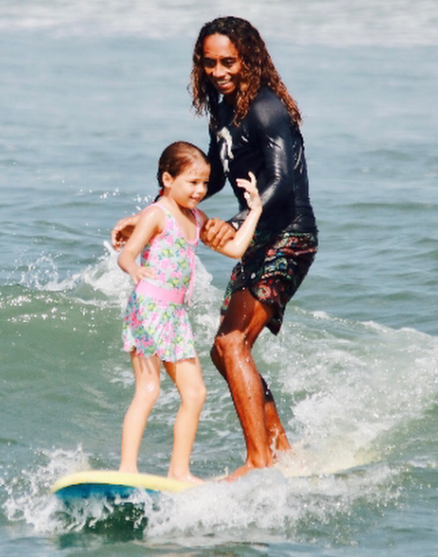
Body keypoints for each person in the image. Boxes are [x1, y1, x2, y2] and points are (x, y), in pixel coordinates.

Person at [113, 16, 318, 481]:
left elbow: (283, 184)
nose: (219, 71)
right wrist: (151, 216)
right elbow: (213, 179)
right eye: (210, 63)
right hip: (258, 237)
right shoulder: (224, 111)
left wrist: (238, 221)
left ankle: (259, 462)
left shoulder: (266, 109)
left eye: (228, 61)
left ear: (248, 58)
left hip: (289, 235)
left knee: (231, 342)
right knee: (223, 351)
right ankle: (283, 452)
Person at [117, 141, 262, 484]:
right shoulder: (157, 214)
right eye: (192, 182)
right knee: (148, 389)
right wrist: (134, 269)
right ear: (167, 179)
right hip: (149, 310)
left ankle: (179, 471)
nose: (200, 191)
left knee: (195, 394)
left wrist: (255, 209)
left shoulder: (197, 219)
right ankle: (126, 469)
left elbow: (236, 248)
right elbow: (127, 254)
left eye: (205, 184)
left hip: (176, 317)